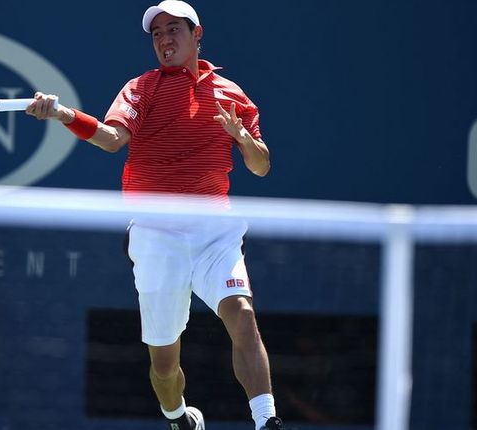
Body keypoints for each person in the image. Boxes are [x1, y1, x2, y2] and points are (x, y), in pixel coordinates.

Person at [25, 1, 283, 429]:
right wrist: (62, 113)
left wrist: (243, 139)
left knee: (242, 312)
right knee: (164, 367)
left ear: (197, 34)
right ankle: (176, 416)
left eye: (173, 30)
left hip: (213, 231)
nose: (164, 40)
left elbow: (261, 165)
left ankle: (266, 421)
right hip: (155, 234)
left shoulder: (231, 94)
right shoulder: (141, 89)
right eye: (157, 33)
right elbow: (111, 140)